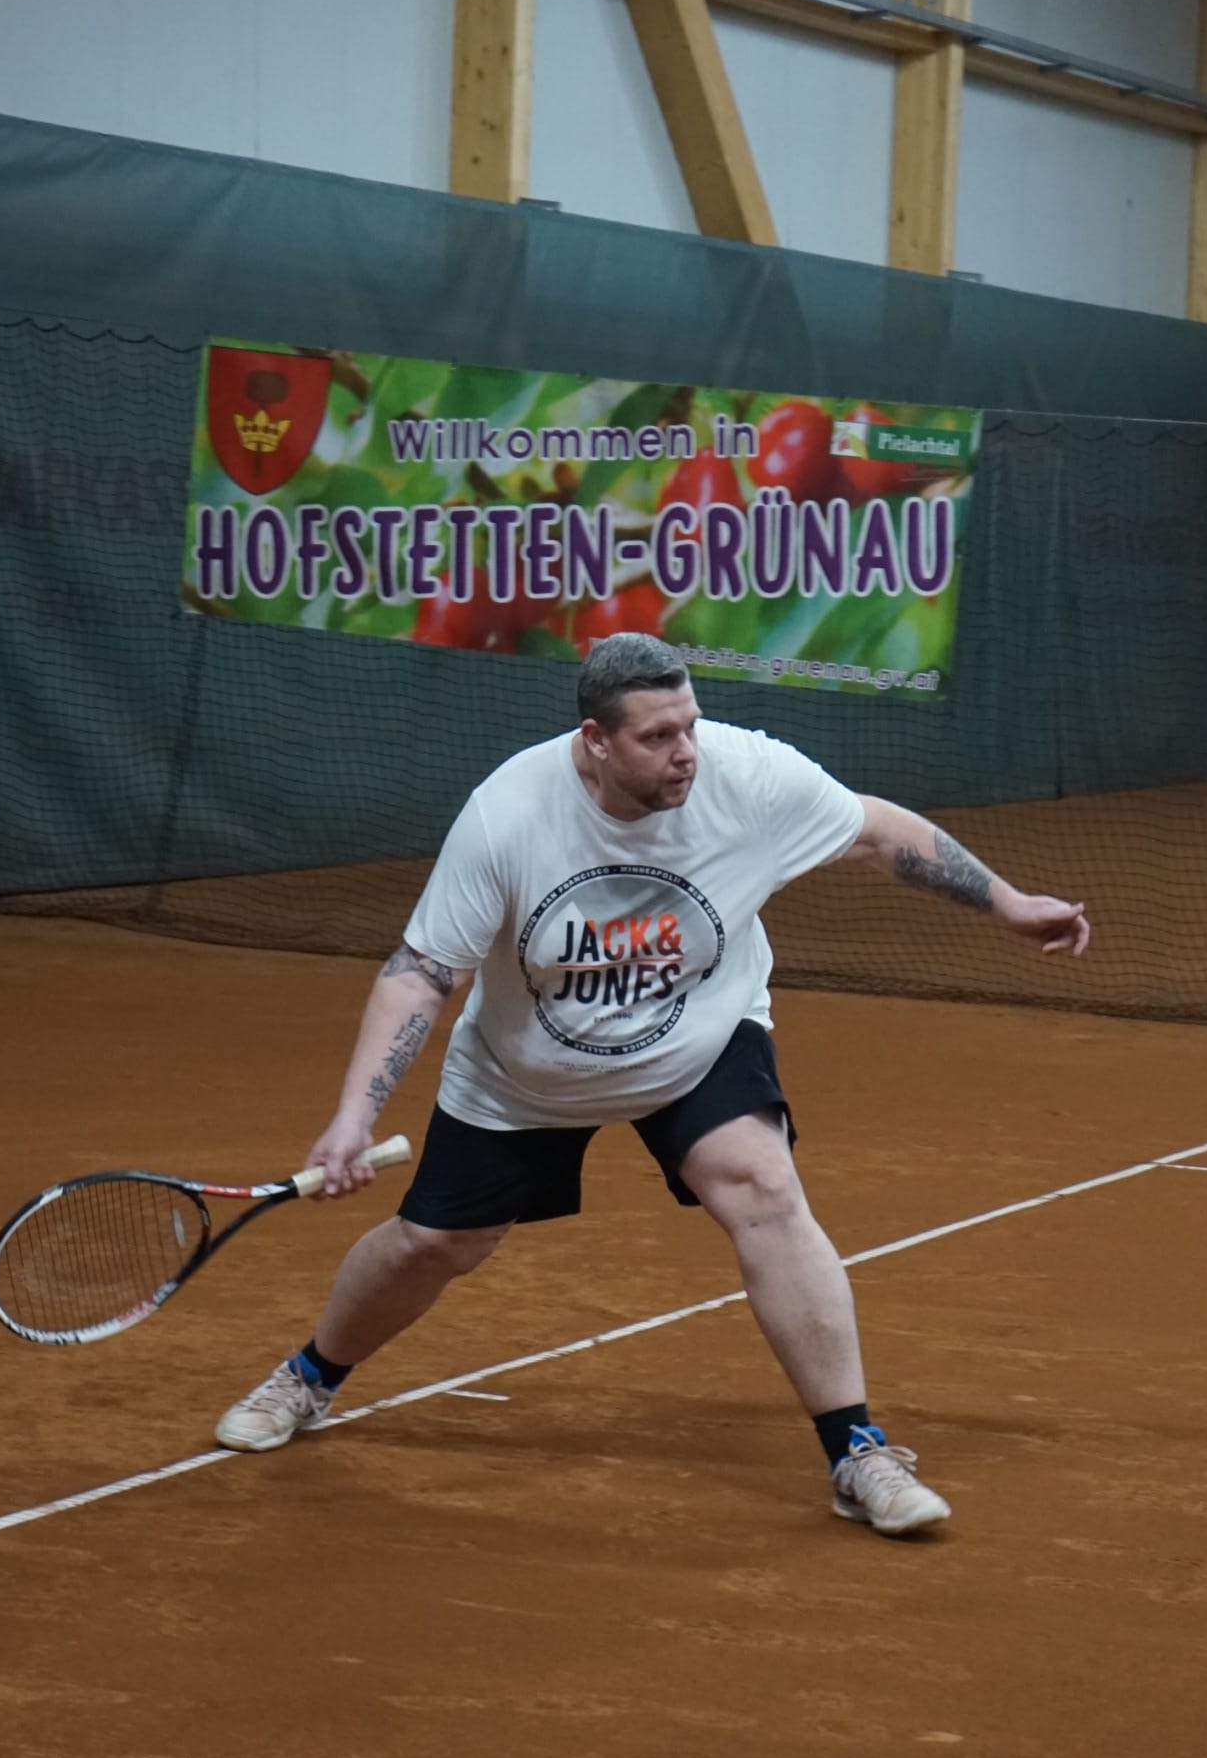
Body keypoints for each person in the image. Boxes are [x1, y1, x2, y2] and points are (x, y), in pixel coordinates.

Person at [215, 635, 1090, 1534]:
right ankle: (310, 1376)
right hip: (527, 1075)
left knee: (763, 1189)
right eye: (658, 737)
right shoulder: (508, 815)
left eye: (690, 726)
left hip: (696, 1043)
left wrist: (1007, 901)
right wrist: (354, 1115)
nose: (685, 753)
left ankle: (856, 1449)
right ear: (595, 740)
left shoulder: (747, 777)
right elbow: (424, 972)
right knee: (432, 1244)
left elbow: (874, 831)